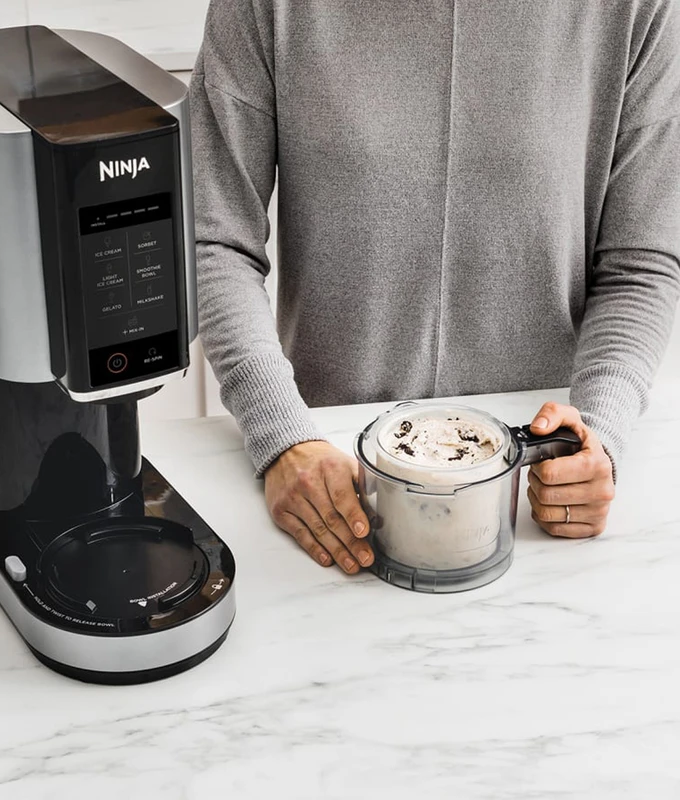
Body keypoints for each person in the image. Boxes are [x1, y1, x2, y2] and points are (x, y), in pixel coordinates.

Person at [189, 0, 680, 574]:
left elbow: (638, 261)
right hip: (331, 469)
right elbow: (212, 238)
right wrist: (279, 431)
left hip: (535, 495)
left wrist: (598, 434)